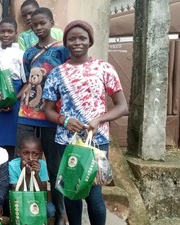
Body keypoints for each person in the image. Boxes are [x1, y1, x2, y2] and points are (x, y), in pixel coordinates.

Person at [42, 20, 128, 225]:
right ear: (66, 43)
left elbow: (122, 106)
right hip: (66, 141)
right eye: (71, 39)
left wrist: (99, 119)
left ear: (90, 41)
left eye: (82, 38)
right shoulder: (57, 73)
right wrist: (63, 120)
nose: (77, 42)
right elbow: (48, 110)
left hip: (96, 141)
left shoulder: (104, 68)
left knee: (94, 193)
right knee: (72, 191)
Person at [16, 8, 70, 224]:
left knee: (56, 168)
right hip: (27, 113)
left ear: (51, 22)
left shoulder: (63, 50)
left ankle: (60, 212)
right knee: (23, 162)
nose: (38, 28)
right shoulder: (28, 53)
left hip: (52, 116)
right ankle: (26, 207)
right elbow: (29, 80)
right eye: (34, 25)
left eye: (42, 23)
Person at [0, 17, 24, 159]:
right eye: (2, 31)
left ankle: (11, 175)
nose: (6, 35)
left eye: (10, 31)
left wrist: (13, 101)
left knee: (12, 139)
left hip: (13, 99)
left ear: (16, 33)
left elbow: (27, 83)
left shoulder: (21, 54)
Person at [9, 135, 55, 218]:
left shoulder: (42, 165)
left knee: (50, 210)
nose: (30, 158)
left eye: (35, 154)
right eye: (25, 153)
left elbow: (43, 192)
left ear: (40, 155)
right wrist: (26, 174)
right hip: (20, 200)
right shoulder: (12, 166)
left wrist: (36, 175)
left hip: (38, 198)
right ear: (19, 153)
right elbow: (18, 192)